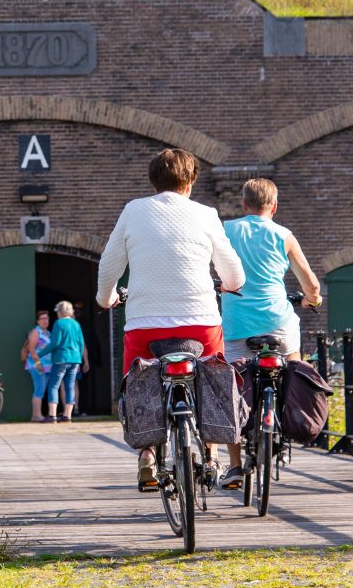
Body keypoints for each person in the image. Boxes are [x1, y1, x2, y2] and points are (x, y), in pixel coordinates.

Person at [96, 148, 245, 488]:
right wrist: (231, 285)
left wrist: (106, 299)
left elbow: (109, 265)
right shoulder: (206, 214)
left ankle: (147, 454)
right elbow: (234, 275)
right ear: (191, 182)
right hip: (201, 322)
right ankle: (210, 452)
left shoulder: (133, 211)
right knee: (210, 378)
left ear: (153, 182)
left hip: (145, 325)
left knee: (140, 380)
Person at [218, 177, 321, 489]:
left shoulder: (226, 230)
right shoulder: (284, 235)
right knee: (293, 366)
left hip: (236, 324)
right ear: (273, 206)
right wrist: (312, 299)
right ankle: (291, 419)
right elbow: (311, 284)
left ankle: (235, 465)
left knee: (232, 385)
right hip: (279, 322)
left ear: (244, 205)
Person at [38, 300, 88, 423]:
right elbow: (81, 343)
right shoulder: (76, 324)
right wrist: (80, 359)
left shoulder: (59, 323)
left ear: (60, 311)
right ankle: (67, 415)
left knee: (53, 386)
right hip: (75, 360)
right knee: (70, 386)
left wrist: (40, 353)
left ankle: (52, 415)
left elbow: (55, 343)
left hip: (61, 359)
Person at [20, 310, 54, 422]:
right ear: (38, 321)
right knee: (39, 390)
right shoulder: (36, 332)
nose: (45, 321)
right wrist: (38, 364)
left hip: (48, 367)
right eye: (42, 319)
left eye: (46, 318)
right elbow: (32, 349)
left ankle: (35, 416)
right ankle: (38, 415)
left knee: (41, 390)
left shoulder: (48, 333)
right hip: (37, 366)